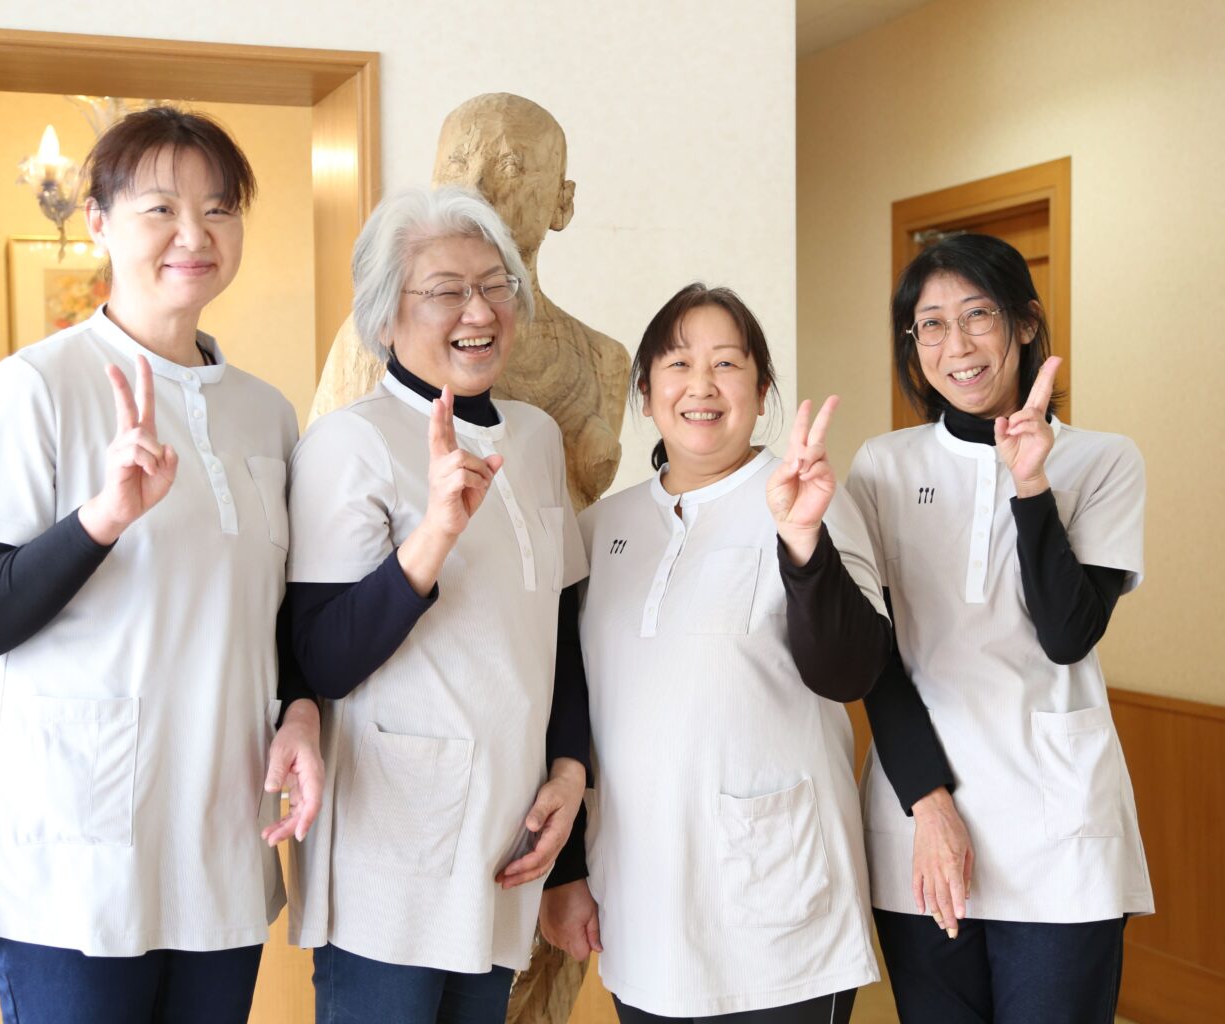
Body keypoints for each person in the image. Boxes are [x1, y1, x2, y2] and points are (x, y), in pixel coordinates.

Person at [0, 105, 324, 1024]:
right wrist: (100, 519)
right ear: (99, 222)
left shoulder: (267, 413)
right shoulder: (35, 387)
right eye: (161, 209)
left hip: (216, 847)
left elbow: (276, 613)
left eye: (220, 209)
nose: (196, 234)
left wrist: (302, 708)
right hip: (72, 863)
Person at [538, 284, 891, 1023]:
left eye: (727, 363)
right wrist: (564, 872)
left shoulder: (810, 500)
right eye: (678, 364)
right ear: (645, 394)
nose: (701, 384)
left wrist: (803, 542)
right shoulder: (601, 530)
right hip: (644, 908)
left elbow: (851, 671)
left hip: (780, 911)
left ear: (761, 393)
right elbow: (565, 706)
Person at [281, 184, 589, 1023]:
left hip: (503, 836)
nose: (478, 311)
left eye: (495, 285)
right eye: (446, 290)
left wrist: (570, 770)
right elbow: (322, 659)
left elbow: (560, 632)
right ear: (385, 318)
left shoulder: (535, 437)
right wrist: (435, 536)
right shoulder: (349, 443)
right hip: (389, 848)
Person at [850, 233, 1151, 1023]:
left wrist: (1031, 485)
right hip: (920, 815)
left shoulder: (1104, 461)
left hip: (1059, 824)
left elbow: (1068, 635)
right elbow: (876, 658)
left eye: (977, 315)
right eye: (932, 324)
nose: (957, 345)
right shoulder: (883, 467)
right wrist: (929, 806)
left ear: (1024, 322)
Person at [308, 92, 630, 510]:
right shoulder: (381, 336)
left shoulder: (603, 360)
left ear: (562, 203)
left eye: (511, 167)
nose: (476, 186)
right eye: (457, 164)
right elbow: (330, 498)